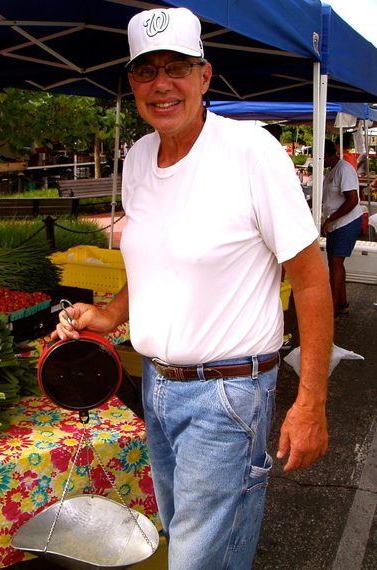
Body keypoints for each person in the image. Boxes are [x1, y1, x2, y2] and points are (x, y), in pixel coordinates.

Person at [53, 7, 333, 570]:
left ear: (205, 76)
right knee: (188, 541)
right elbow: (154, 261)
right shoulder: (136, 158)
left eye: (177, 67)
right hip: (156, 384)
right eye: (145, 70)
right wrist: (109, 315)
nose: (162, 84)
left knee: (197, 559)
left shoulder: (250, 151)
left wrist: (312, 401)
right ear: (132, 84)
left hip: (227, 395)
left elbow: (310, 277)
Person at [321, 138, 363, 318]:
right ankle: (341, 303)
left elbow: (352, 200)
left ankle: (332, 307)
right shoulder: (331, 171)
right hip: (336, 223)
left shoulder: (344, 169)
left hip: (345, 222)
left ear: (328, 155)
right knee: (335, 263)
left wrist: (331, 219)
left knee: (336, 264)